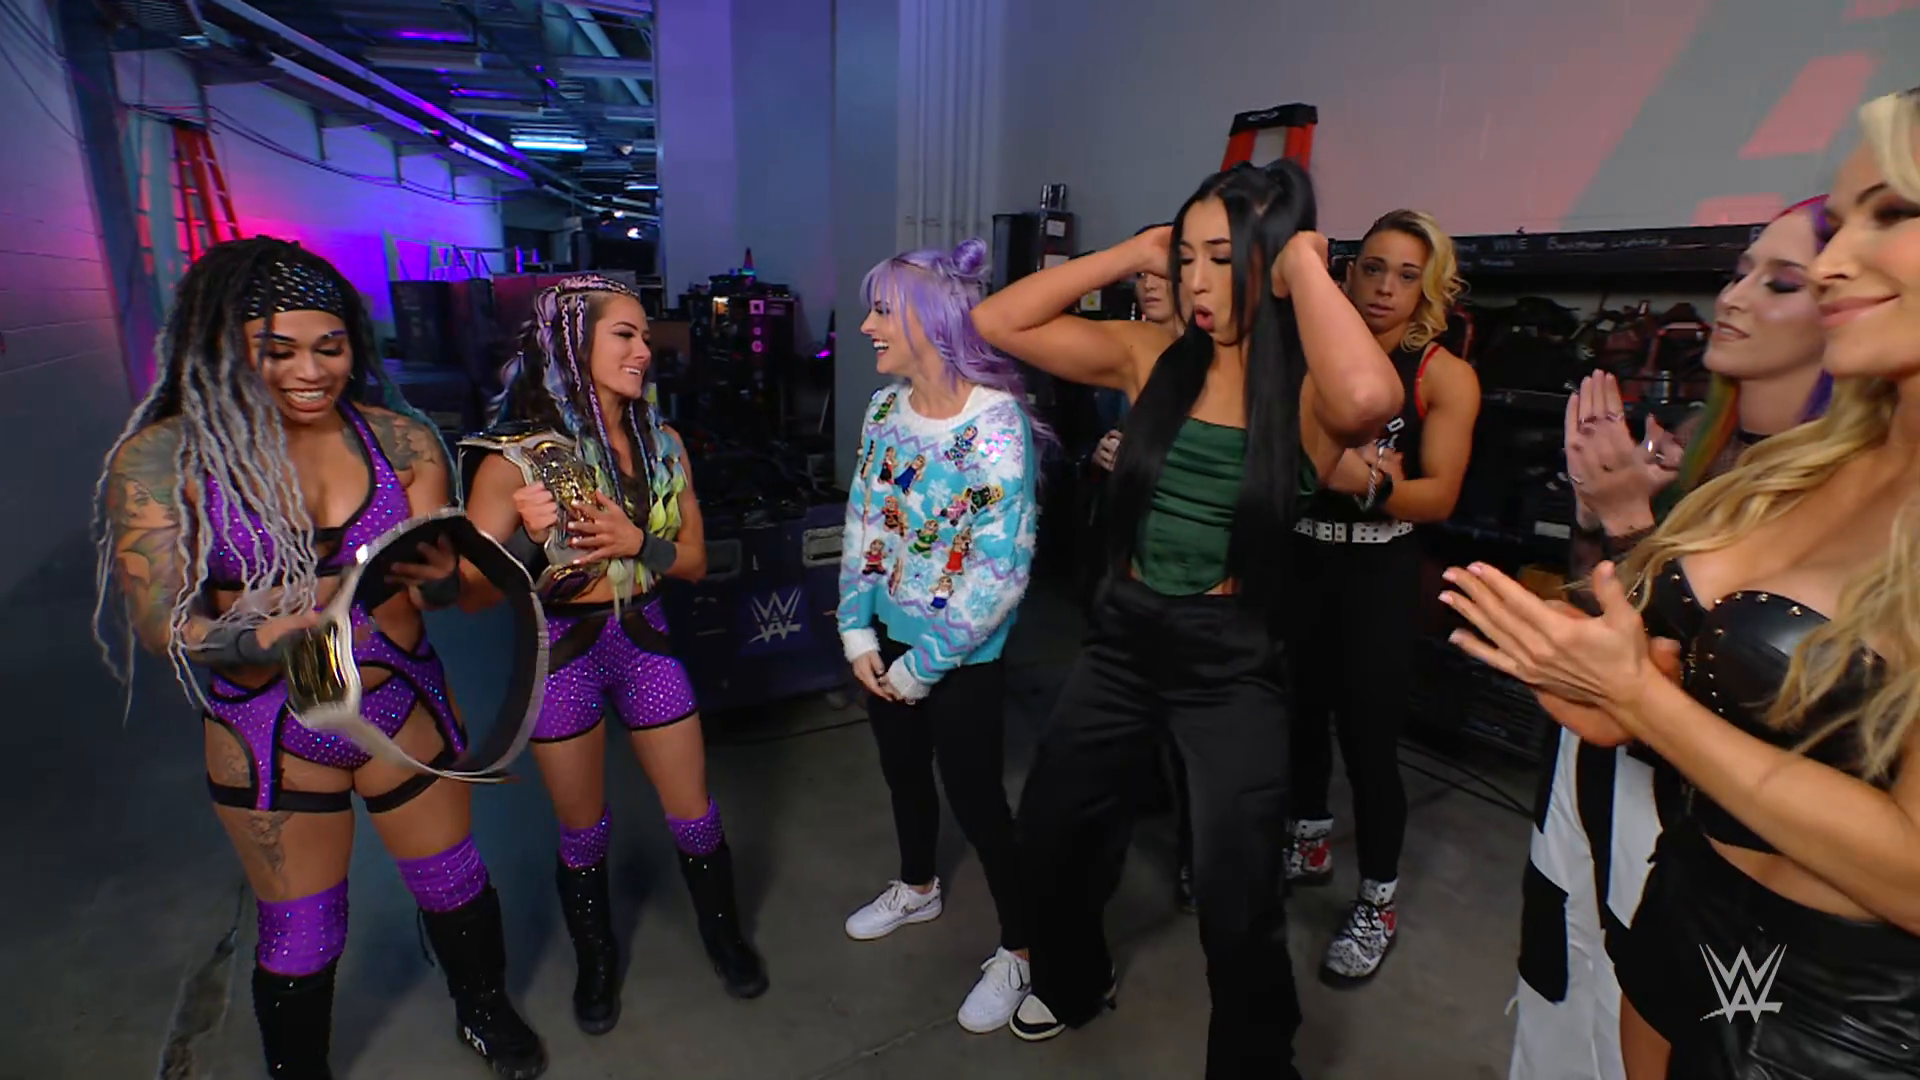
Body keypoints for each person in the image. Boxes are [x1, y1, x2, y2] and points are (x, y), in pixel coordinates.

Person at [1449, 86, 1920, 1079]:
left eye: (1893, 213)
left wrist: (1644, 704)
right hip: (1681, 909)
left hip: (1836, 1011)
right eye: (1840, 223)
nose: (1836, 262)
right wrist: (1624, 679)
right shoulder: (1811, 462)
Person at [973, 160, 1405, 1078]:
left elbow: (1373, 400)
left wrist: (1304, 263)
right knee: (1050, 827)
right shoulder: (1152, 356)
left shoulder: (1306, 392)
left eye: (1222, 257)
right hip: (1124, 637)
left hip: (1230, 659)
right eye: (1187, 257)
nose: (1197, 282)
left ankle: (1255, 1063)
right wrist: (1133, 252)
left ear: (1270, 261)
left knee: (1235, 893)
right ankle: (1074, 978)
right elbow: (996, 323)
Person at [92, 237, 546, 1079]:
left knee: (453, 877)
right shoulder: (166, 458)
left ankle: (485, 1010)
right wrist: (251, 638)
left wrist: (451, 576)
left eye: (329, 347)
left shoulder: (403, 442)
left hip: (400, 704)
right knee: (301, 928)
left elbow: (443, 586)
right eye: (279, 351)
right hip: (269, 725)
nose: (311, 371)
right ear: (224, 347)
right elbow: (160, 620)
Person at [1508, 197, 1833, 1080]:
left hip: (1696, 832)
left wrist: (1628, 524)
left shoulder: (1840, 493)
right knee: (1563, 993)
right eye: (1741, 271)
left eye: (1781, 282)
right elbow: (1612, 610)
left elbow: (1740, 689)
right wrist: (1602, 515)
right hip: (1597, 781)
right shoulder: (1703, 444)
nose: (1735, 296)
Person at [463, 274, 767, 1037]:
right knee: (583, 829)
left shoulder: (663, 444)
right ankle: (596, 962)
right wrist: (523, 537)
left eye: (646, 337)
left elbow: (694, 560)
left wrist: (638, 542)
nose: (643, 351)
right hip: (563, 652)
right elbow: (468, 596)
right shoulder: (515, 458)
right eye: (624, 335)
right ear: (572, 343)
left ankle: (725, 937)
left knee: (694, 813)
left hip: (646, 640)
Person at [836, 238, 1047, 1034]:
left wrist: (923, 666)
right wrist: (857, 632)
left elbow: (1000, 572)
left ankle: (1022, 949)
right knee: (902, 772)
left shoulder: (996, 423)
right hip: (886, 640)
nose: (866, 326)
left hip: (958, 657)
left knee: (978, 799)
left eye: (881, 311)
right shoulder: (882, 411)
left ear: (930, 320)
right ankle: (918, 886)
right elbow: (864, 521)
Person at [1284, 208, 1479, 986]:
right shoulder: (1313, 347)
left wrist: (1351, 479)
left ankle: (1378, 901)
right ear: (1348, 272)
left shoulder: (1441, 374)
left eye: (1406, 275)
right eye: (1372, 268)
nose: (1385, 288)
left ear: (1428, 288)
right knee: (1297, 714)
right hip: (1303, 558)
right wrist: (1364, 475)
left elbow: (1438, 497)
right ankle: (1308, 841)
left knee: (1368, 743)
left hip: (1378, 572)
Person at [1083, 231, 1196, 913]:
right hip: (1125, 553)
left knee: (1189, 723)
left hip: (1189, 572)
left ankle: (1196, 855)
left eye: (1160, 273)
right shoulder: (1125, 351)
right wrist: (1103, 454)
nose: (1147, 285)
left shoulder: (1218, 363)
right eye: (1141, 275)